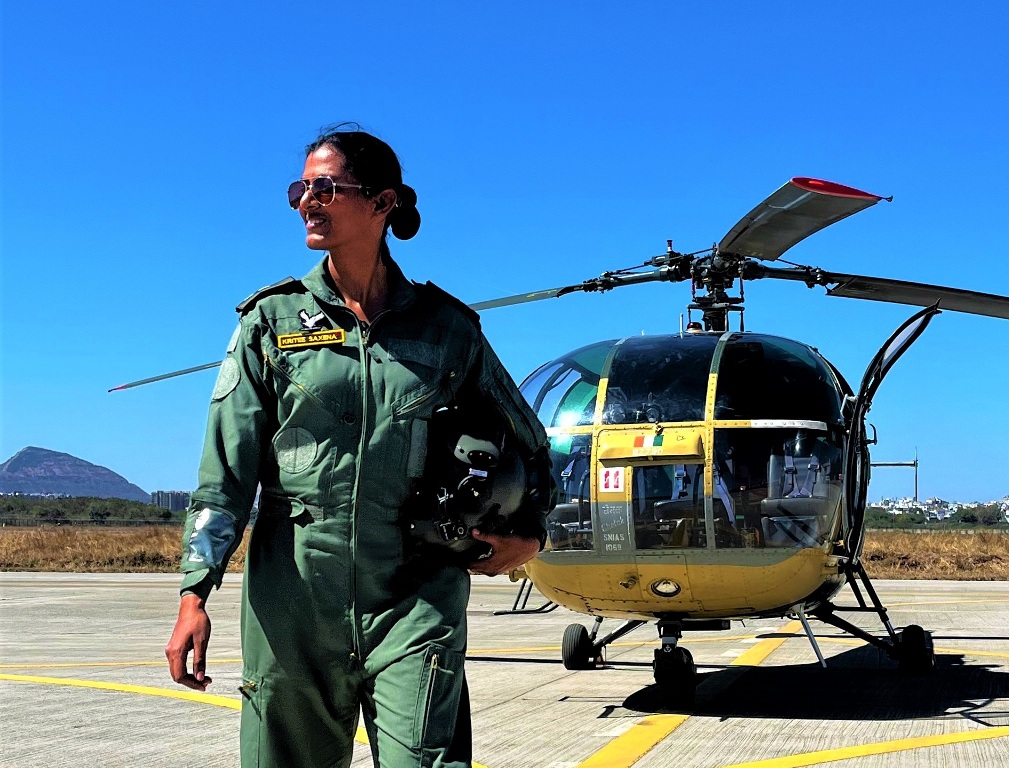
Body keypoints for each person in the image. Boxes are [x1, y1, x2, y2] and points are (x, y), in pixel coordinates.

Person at [165, 124, 553, 768]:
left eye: (325, 187)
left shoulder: (447, 330)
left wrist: (532, 533)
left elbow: (530, 441)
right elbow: (224, 476)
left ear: (383, 203)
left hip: (415, 597)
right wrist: (193, 594)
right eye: (300, 188)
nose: (306, 202)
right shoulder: (270, 322)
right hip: (294, 604)